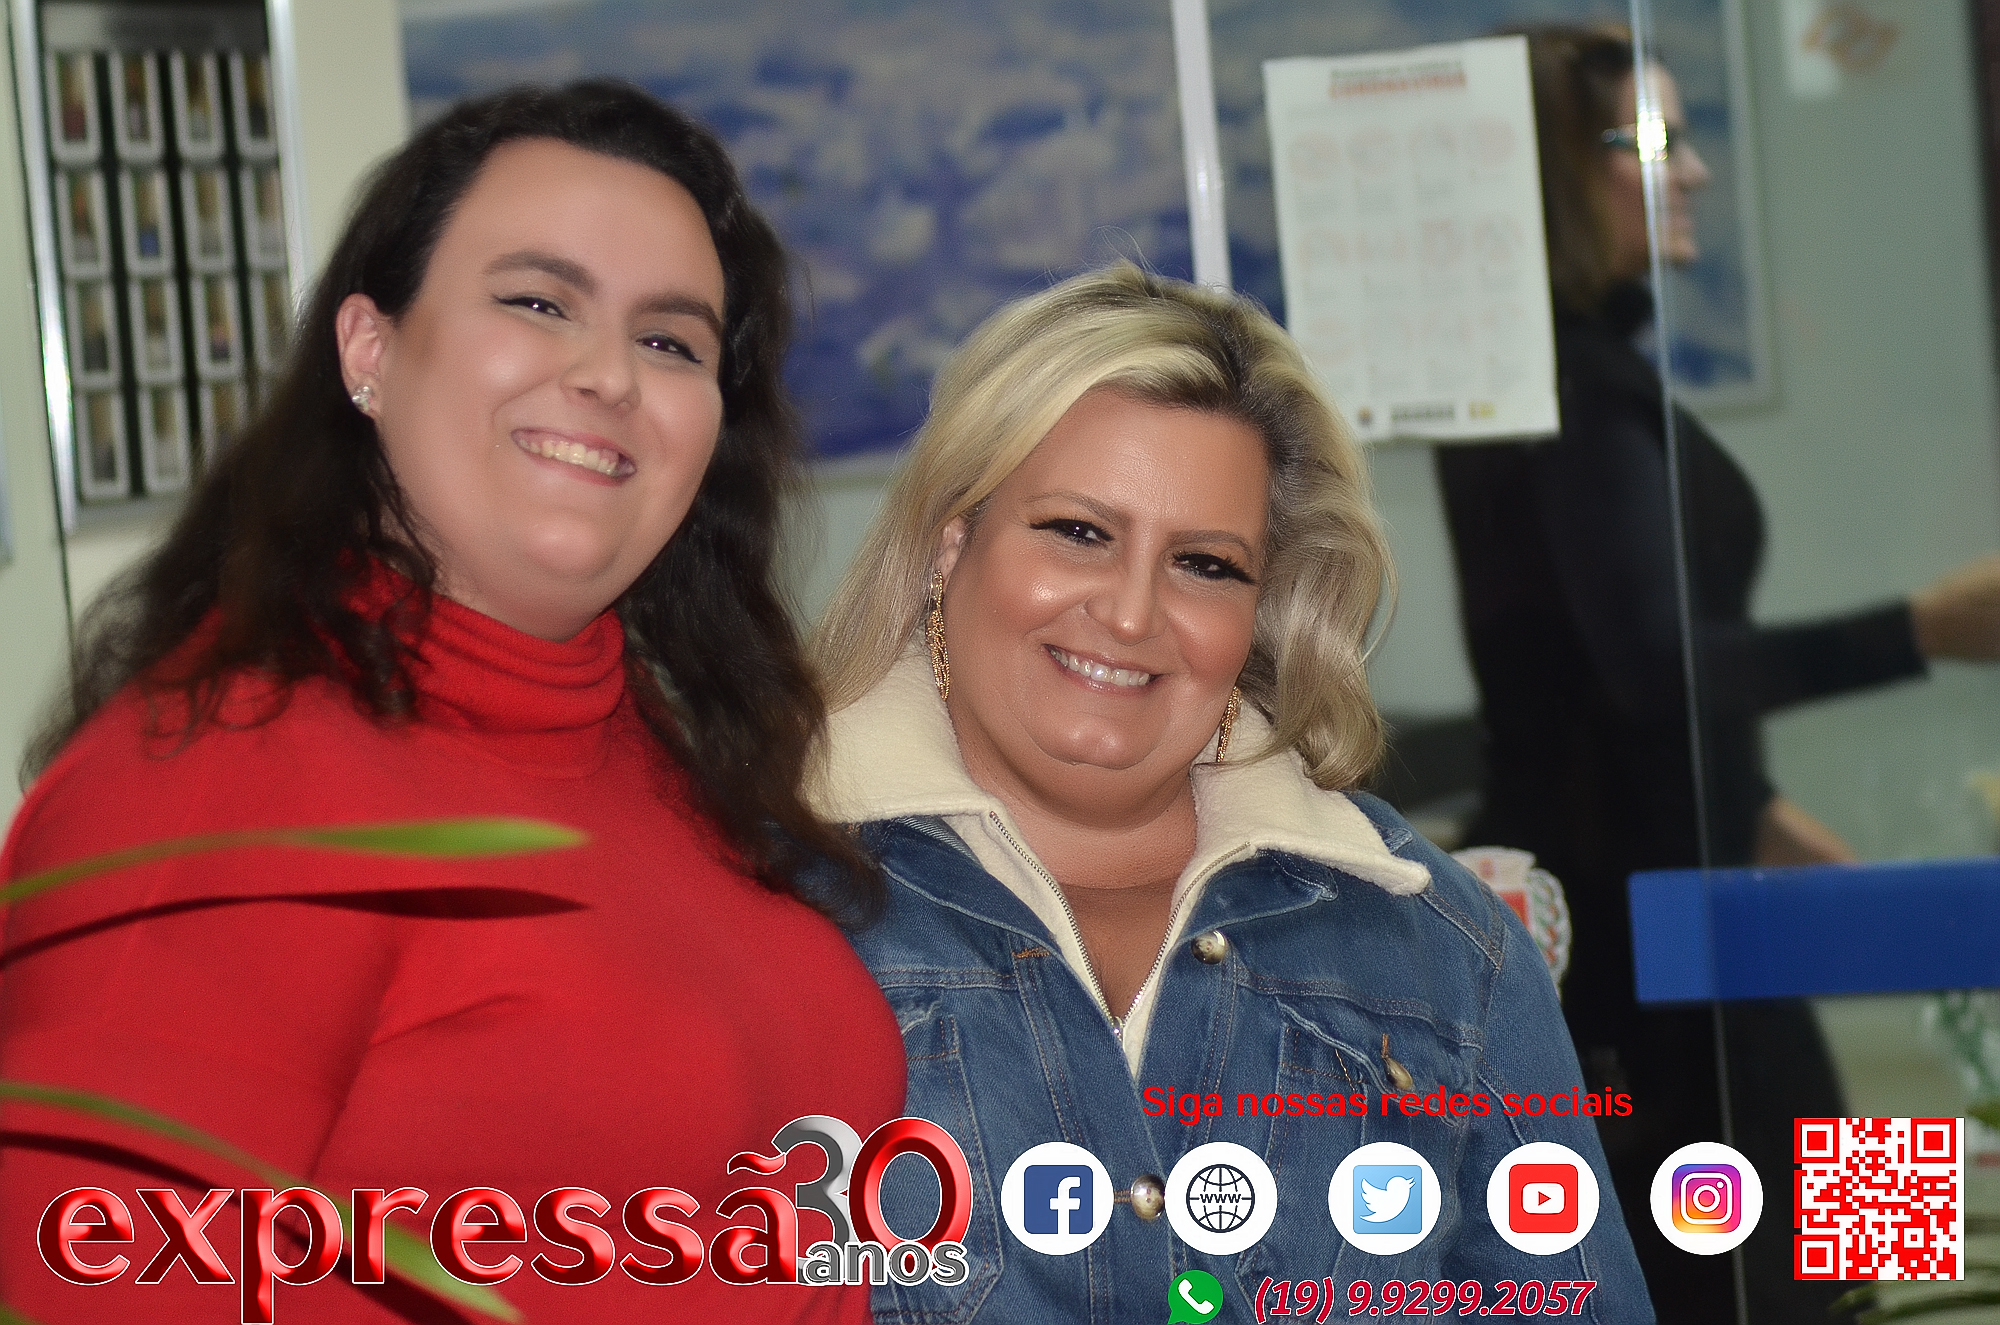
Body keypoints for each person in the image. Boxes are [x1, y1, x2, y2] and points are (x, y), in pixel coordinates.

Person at [0, 82, 903, 1323]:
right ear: (368, 349)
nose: (608, 375)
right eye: (538, 302)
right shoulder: (204, 789)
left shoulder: (662, 742)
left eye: (670, 342)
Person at [810, 263, 1654, 1323]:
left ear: (1262, 609)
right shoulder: (757, 895)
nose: (1130, 613)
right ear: (951, 544)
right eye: (1077, 531)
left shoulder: (1439, 949)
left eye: (1204, 564)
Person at [1434, 26, 2000, 1322]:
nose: (1689, 172)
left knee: (1868, 1250)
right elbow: (1652, 675)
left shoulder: (1584, 381)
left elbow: (1634, 712)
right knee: (1819, 1276)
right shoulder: (1568, 396)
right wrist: (1925, 626)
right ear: (1551, 171)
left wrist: (1782, 836)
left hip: (1702, 915)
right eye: (1650, 143)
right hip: (1648, 963)